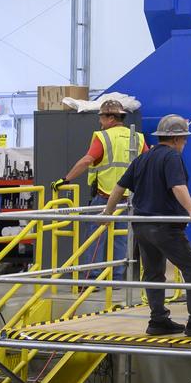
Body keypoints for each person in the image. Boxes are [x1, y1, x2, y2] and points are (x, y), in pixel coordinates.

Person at [104, 114, 191, 337]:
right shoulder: (172, 157)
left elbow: (119, 187)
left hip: (142, 226)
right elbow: (178, 186)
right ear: (177, 140)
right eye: (184, 140)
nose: (184, 144)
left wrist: (107, 214)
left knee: (154, 273)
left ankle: (158, 320)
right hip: (164, 227)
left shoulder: (142, 158)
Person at [55, 99, 147, 278]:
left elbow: (87, 160)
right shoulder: (137, 137)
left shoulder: (103, 137)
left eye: (102, 117)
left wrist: (66, 179)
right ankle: (118, 277)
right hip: (128, 199)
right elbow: (147, 161)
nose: (100, 121)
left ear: (111, 118)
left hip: (105, 197)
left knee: (95, 238)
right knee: (122, 239)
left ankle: (92, 277)